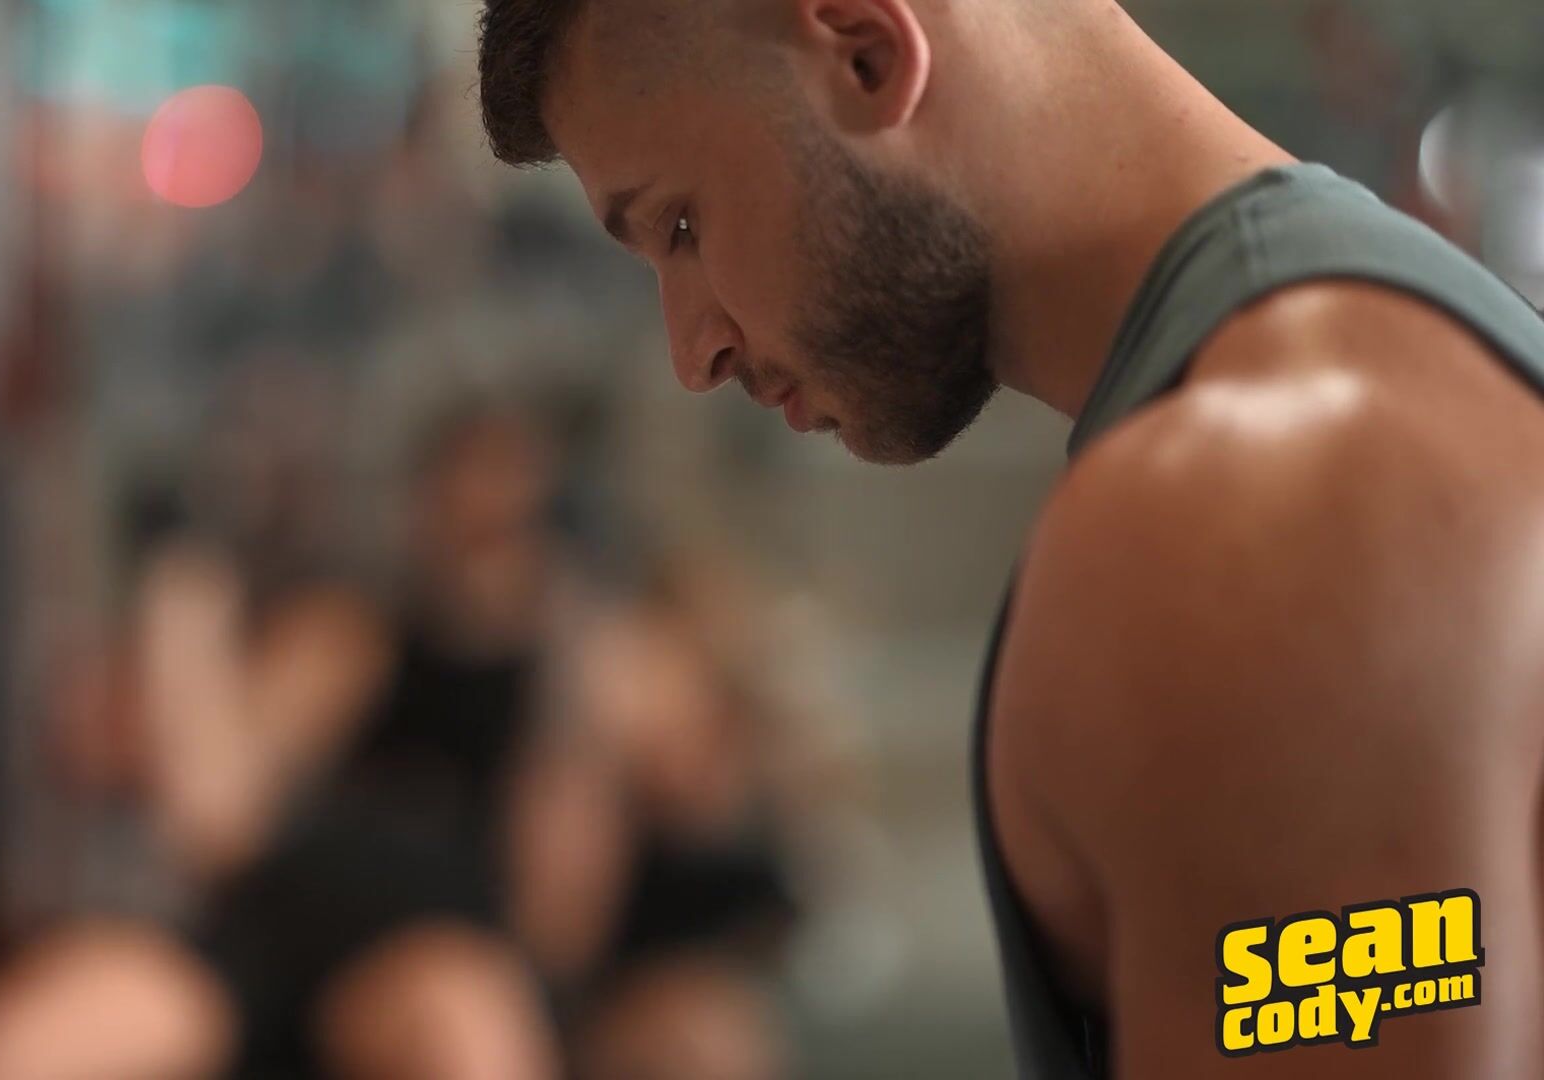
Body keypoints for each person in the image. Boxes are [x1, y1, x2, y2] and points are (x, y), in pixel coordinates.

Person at [471, 1, 1544, 1077]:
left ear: (865, 54)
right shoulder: (1335, 382)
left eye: (681, 227)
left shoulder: (1254, 512)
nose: (690, 352)